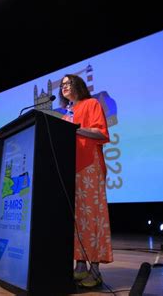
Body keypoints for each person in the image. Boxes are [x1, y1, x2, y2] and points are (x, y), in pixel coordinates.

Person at [59, 74, 113, 288]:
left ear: (78, 85)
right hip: (70, 170)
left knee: (92, 218)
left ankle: (95, 270)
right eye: (61, 85)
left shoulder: (91, 104)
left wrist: (76, 129)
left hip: (89, 167)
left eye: (67, 83)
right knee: (76, 220)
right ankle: (80, 266)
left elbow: (101, 133)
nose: (63, 87)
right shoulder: (65, 116)